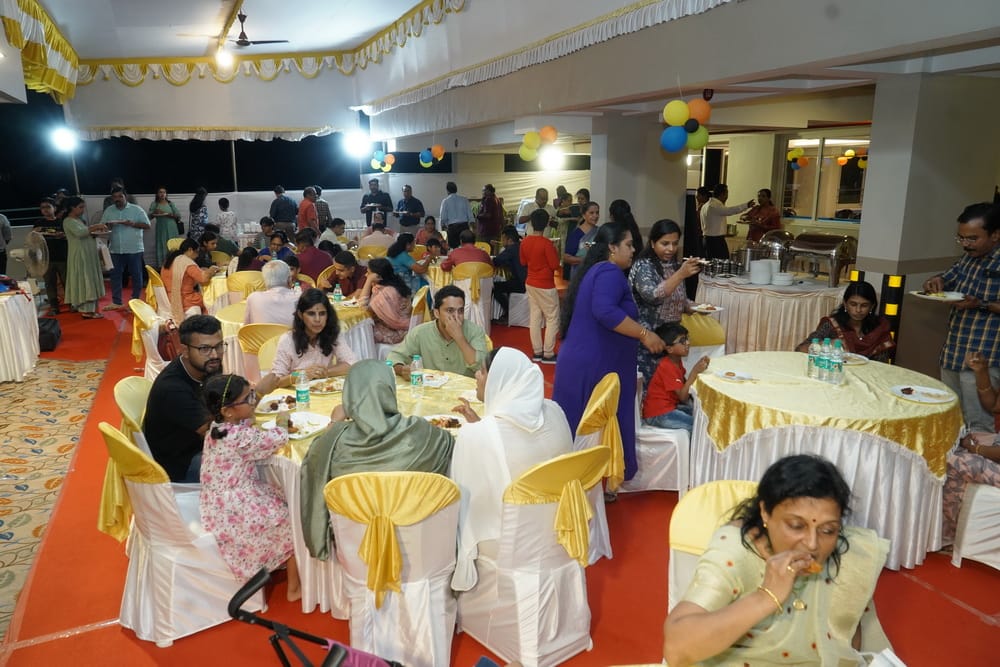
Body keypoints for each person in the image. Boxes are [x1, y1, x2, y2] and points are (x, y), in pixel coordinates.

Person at [662, 455, 892, 667]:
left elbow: (846, 640)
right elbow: (676, 648)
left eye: (828, 530)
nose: (812, 544)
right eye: (796, 526)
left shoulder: (848, 553)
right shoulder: (736, 551)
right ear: (765, 512)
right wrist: (766, 597)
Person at [299, 360, 455, 560]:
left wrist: (334, 423)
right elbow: (451, 444)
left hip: (355, 553)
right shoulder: (422, 433)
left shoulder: (331, 443)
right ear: (390, 390)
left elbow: (313, 470)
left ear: (349, 395)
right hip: (420, 550)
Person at [553, 222, 666, 491]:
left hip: (589, 360)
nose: (633, 250)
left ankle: (586, 483)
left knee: (582, 424)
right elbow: (605, 312)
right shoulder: (609, 272)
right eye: (628, 245)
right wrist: (644, 334)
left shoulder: (599, 271)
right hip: (595, 364)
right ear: (612, 248)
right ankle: (590, 484)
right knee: (593, 423)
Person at [449, 347, 574, 590]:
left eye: (482, 371)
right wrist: (482, 426)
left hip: (512, 538)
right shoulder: (555, 410)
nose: (476, 376)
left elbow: (468, 505)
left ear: (499, 379)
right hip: (561, 524)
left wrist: (478, 431)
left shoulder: (476, 436)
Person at [199, 373, 300, 602]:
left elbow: (248, 427)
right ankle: (294, 588)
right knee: (288, 518)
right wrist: (282, 422)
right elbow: (277, 439)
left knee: (278, 499)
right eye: (248, 399)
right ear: (228, 411)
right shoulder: (238, 437)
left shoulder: (217, 429)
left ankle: (276, 559)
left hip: (217, 502)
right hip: (236, 507)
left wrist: (248, 412)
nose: (253, 401)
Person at [923, 202, 1000, 432]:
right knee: (950, 420)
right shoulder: (968, 258)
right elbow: (948, 278)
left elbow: (981, 302)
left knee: (979, 425)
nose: (966, 244)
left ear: (995, 235)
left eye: (972, 238)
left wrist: (981, 304)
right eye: (961, 238)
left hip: (985, 356)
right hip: (954, 350)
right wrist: (936, 282)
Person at [143, 315, 224, 482]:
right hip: (181, 465)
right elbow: (217, 434)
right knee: (246, 462)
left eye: (219, 346)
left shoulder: (206, 366)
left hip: (199, 445)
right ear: (185, 351)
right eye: (204, 349)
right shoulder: (173, 389)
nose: (215, 354)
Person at [629, 219, 703, 382]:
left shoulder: (673, 265)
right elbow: (653, 295)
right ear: (652, 243)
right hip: (649, 341)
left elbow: (679, 297)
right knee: (651, 387)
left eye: (675, 244)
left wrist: (694, 307)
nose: (671, 249)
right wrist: (681, 274)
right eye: (665, 243)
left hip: (671, 341)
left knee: (670, 385)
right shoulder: (644, 266)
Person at [257, 288, 358, 395]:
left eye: (322, 313)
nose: (317, 319)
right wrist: (301, 375)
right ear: (300, 315)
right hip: (295, 395)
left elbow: (351, 364)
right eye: (311, 314)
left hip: (324, 392)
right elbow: (276, 380)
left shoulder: (332, 334)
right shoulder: (288, 340)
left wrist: (324, 372)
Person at [388, 284, 489, 378]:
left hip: (466, 389)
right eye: (450, 311)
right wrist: (401, 370)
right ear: (436, 313)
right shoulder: (421, 332)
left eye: (460, 311)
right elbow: (394, 357)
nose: (456, 316)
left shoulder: (475, 331)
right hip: (432, 388)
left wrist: (459, 338)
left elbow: (482, 367)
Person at [795, 281, 895, 362]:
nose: (858, 310)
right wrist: (826, 345)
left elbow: (882, 364)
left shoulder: (879, 328)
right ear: (845, 304)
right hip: (836, 373)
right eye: (853, 304)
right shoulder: (832, 325)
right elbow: (800, 350)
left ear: (872, 306)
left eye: (864, 305)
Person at [642, 323, 710, 433]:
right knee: (700, 426)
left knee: (702, 414)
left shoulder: (676, 362)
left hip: (669, 407)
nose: (688, 343)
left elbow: (683, 389)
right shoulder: (667, 366)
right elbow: (683, 397)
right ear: (669, 349)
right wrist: (695, 372)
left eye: (687, 338)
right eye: (682, 341)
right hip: (658, 414)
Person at [520, 209, 561, 363]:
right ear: (546, 223)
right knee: (552, 318)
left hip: (531, 282)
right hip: (546, 284)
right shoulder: (547, 244)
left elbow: (523, 262)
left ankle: (537, 351)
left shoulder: (525, 241)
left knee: (535, 317)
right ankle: (548, 353)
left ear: (531, 222)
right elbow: (555, 265)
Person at [100, 186, 150, 311]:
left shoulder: (136, 209)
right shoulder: (109, 210)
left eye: (120, 196)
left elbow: (147, 225)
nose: (117, 199)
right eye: (114, 197)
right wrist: (108, 225)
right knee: (115, 275)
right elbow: (102, 226)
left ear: (125, 196)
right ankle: (116, 302)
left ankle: (135, 302)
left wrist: (133, 224)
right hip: (115, 248)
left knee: (136, 275)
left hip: (134, 248)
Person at [60, 197, 109, 319]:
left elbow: (85, 233)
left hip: (88, 253)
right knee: (85, 279)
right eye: (80, 207)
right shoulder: (68, 221)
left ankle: (91, 309)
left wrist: (94, 232)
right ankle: (87, 311)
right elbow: (80, 233)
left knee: (90, 279)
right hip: (80, 255)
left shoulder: (79, 220)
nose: (82, 210)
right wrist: (96, 226)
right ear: (72, 208)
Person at [162, 238, 222, 322]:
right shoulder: (186, 262)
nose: (197, 256)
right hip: (185, 299)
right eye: (197, 252)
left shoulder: (169, 260)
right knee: (210, 300)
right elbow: (203, 278)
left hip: (167, 297)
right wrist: (212, 269)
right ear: (190, 250)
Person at [359, 257, 412, 345]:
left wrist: (368, 281)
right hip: (396, 326)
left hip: (397, 331)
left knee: (362, 333)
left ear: (378, 276)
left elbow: (362, 306)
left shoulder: (386, 293)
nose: (365, 275)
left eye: (369, 273)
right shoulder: (394, 284)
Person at [700, 183, 753, 260]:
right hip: (715, 240)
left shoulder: (706, 205)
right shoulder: (715, 205)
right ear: (723, 194)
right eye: (727, 193)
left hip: (707, 239)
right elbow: (730, 211)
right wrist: (746, 205)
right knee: (722, 261)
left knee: (711, 262)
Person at [33, 197, 68, 314]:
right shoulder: (39, 223)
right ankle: (54, 307)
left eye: (48, 207)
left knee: (67, 281)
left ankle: (72, 303)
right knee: (49, 283)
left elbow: (70, 236)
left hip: (62, 256)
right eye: (42, 208)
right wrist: (35, 233)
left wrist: (63, 235)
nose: (45, 210)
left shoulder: (62, 222)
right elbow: (32, 239)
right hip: (46, 258)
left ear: (55, 208)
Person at [244, 259, 298, 326]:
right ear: (289, 279)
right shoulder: (298, 299)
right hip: (290, 333)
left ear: (265, 280)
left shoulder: (253, 298)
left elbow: (247, 327)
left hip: (261, 333)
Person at [492, 226, 526, 323]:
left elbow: (496, 261)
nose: (502, 241)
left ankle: (508, 312)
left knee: (495, 287)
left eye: (503, 239)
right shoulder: (521, 246)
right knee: (506, 284)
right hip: (527, 280)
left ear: (509, 240)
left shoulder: (511, 249)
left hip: (521, 283)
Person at [563, 201, 600, 280]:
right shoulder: (576, 234)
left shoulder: (600, 231)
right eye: (591, 213)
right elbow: (566, 258)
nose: (595, 216)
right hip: (579, 275)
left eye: (597, 213)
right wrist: (586, 260)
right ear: (583, 215)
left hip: (596, 274)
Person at [148, 186, 181, 268]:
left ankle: (175, 264)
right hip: (161, 228)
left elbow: (178, 216)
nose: (162, 194)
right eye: (160, 192)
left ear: (166, 194)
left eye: (164, 192)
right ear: (157, 194)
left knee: (173, 245)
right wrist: (155, 212)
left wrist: (169, 215)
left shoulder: (170, 203)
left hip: (172, 227)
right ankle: (163, 266)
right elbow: (149, 216)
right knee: (162, 244)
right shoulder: (154, 204)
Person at [439, 181, 473, 248]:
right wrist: (473, 227)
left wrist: (443, 228)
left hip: (452, 228)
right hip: (464, 227)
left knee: (454, 249)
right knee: (465, 247)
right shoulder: (464, 199)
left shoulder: (445, 201)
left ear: (447, 190)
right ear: (456, 189)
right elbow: (470, 214)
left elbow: (443, 218)